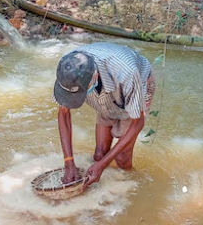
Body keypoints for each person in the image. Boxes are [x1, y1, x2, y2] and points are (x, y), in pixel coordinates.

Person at [53, 42, 155, 188]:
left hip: (136, 83)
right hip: (103, 88)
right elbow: (63, 114)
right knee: (99, 155)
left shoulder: (128, 73)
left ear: (95, 76)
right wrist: (69, 163)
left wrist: (103, 165)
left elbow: (137, 123)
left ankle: (131, 189)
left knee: (123, 159)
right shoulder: (68, 69)